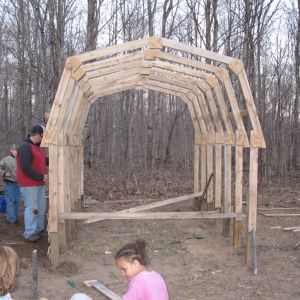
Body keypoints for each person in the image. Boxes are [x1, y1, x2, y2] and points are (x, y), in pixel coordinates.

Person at [16, 124, 48, 242]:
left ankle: (38, 230)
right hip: (29, 184)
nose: (43, 139)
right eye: (42, 136)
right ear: (37, 135)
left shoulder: (38, 147)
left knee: (41, 207)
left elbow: (44, 160)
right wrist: (41, 176)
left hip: (39, 183)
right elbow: (26, 167)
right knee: (32, 207)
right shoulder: (25, 147)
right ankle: (29, 233)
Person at [0, 145, 20, 225]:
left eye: (17, 150)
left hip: (18, 184)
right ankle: (11, 219)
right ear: (11, 151)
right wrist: (4, 173)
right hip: (9, 183)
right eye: (14, 150)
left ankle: (15, 217)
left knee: (17, 201)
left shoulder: (21, 159)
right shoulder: (5, 159)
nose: (16, 152)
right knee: (10, 201)